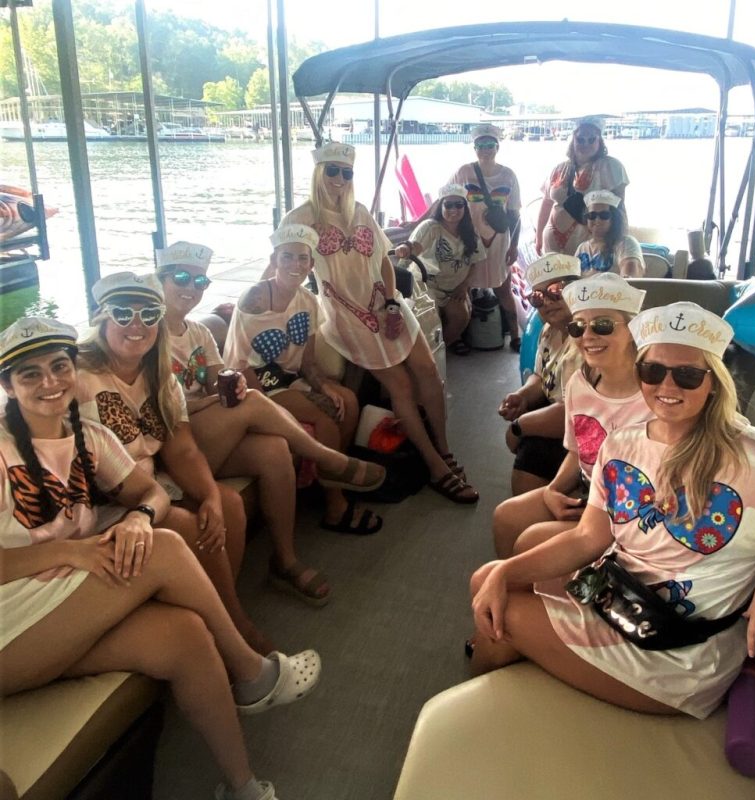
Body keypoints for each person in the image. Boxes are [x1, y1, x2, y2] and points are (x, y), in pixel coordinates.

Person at [0, 317, 321, 800]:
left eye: (59, 366)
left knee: (186, 636)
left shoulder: (88, 436)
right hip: (11, 626)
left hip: (60, 607)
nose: (50, 382)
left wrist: (138, 517)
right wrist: (73, 550)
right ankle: (251, 672)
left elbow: (150, 491)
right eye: (30, 374)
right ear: (6, 385)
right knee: (166, 548)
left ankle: (243, 788)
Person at [471, 302, 755, 720]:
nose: (667, 385)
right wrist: (504, 571)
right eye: (652, 371)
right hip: (621, 592)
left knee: (504, 619)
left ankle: (484, 705)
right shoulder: (623, 443)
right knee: (492, 574)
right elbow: (589, 537)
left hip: (677, 654)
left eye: (688, 374)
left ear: (714, 382)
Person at [74, 272, 287, 644]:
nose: (137, 325)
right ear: (101, 318)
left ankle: (217, 606)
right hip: (103, 500)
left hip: (149, 483)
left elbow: (182, 447)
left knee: (228, 504)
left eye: (148, 314)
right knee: (189, 525)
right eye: (123, 314)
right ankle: (233, 625)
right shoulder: (76, 376)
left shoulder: (160, 375)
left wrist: (208, 496)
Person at [282, 142, 478, 504]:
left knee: (429, 372)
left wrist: (391, 301)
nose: (340, 179)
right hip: (346, 314)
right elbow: (283, 262)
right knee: (401, 386)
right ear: (318, 172)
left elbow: (385, 261)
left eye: (347, 172)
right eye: (332, 170)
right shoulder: (299, 219)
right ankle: (437, 467)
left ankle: (444, 450)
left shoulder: (359, 212)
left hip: (384, 302)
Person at [221, 225, 383, 537]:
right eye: (287, 257)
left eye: (302, 259)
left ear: (311, 265)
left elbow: (306, 362)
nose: (295, 265)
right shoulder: (255, 301)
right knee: (322, 415)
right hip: (255, 386)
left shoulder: (308, 302)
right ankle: (335, 505)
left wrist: (324, 387)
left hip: (290, 380)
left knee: (346, 400)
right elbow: (241, 366)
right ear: (274, 259)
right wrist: (286, 402)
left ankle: (327, 479)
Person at [493, 273, 651, 559]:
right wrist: (554, 489)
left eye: (602, 325)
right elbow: (579, 450)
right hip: (586, 489)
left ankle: (523, 588)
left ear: (633, 330)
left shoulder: (654, 396)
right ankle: (514, 590)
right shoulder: (580, 383)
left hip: (629, 511)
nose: (588, 336)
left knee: (531, 543)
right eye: (578, 327)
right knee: (505, 518)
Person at [499, 254, 581, 496]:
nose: (547, 301)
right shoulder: (550, 330)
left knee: (530, 451)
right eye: (537, 296)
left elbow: (574, 413)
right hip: (560, 412)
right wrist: (522, 395)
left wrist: (519, 426)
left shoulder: (589, 340)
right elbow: (541, 375)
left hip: (586, 426)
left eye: (556, 291)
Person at [451, 124, 522, 351]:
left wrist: (514, 246)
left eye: (490, 145)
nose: (485, 149)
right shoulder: (464, 172)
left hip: (500, 240)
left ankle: (515, 334)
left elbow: (514, 214)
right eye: (480, 145)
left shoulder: (509, 175)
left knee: (504, 288)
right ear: (474, 148)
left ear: (497, 147)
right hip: (471, 239)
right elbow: (445, 200)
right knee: (466, 288)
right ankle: (461, 336)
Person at [394, 183, 486, 355]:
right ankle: (427, 355)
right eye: (448, 205)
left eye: (459, 205)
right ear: (440, 206)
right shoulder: (429, 227)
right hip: (425, 286)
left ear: (465, 208)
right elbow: (414, 246)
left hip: (454, 288)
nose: (454, 209)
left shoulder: (470, 231)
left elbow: (475, 262)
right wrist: (406, 248)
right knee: (429, 319)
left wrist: (464, 286)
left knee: (461, 316)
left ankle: (439, 351)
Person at [537, 117, 629, 256]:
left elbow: (619, 208)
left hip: (589, 243)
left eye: (591, 139)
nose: (585, 143)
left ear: (600, 141)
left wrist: (621, 242)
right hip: (552, 243)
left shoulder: (611, 166)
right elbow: (546, 202)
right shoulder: (559, 168)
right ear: (573, 140)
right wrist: (538, 236)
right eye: (580, 139)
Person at [574, 190, 644, 278]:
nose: (597, 220)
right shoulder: (582, 248)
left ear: (614, 219)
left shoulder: (626, 243)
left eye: (604, 215)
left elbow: (630, 279)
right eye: (592, 215)